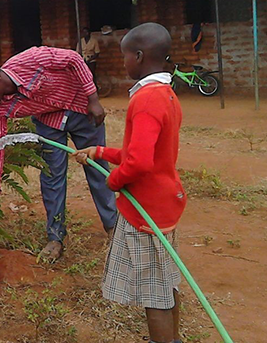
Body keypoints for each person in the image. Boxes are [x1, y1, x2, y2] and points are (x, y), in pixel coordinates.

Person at [72, 23, 185, 343]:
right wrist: (101, 151)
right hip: (164, 200)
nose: (123, 63)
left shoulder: (146, 99)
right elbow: (142, 151)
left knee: (155, 294)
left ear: (138, 56)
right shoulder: (165, 93)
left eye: (124, 56)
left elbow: (139, 162)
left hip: (147, 209)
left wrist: (113, 180)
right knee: (165, 283)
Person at [0, 46, 116, 262]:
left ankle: (113, 227)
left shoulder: (31, 59)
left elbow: (73, 59)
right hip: (48, 123)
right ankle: (55, 238)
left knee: (97, 169)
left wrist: (93, 99)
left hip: (83, 110)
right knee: (51, 176)